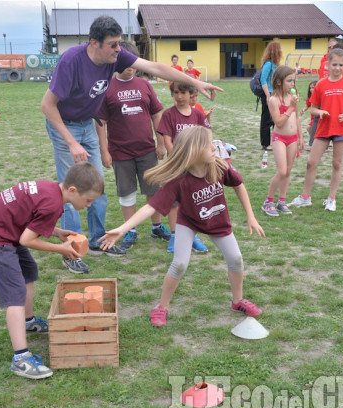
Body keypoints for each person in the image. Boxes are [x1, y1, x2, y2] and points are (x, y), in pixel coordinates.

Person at [41, 15, 222, 274]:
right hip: (64, 125)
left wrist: (195, 82)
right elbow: (47, 105)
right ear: (94, 43)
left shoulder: (117, 56)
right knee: (69, 191)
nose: (119, 49)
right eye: (113, 44)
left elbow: (156, 67)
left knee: (95, 185)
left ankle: (95, 241)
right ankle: (71, 250)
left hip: (86, 124)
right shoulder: (71, 60)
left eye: (119, 44)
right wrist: (71, 142)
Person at [98, 126, 266, 327]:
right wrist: (123, 228)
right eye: (208, 145)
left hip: (216, 219)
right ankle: (161, 307)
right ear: (193, 151)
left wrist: (251, 216)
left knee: (236, 259)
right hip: (189, 221)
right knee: (179, 264)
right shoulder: (177, 181)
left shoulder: (219, 166)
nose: (214, 148)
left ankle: (238, 301)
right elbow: (151, 207)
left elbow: (238, 185)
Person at [0, 162, 105, 379]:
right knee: (15, 293)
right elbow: (28, 239)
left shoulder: (51, 190)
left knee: (28, 271)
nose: (89, 205)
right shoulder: (53, 204)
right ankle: (21, 358)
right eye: (88, 200)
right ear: (73, 190)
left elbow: (31, 219)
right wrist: (60, 249)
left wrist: (57, 232)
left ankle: (28, 321)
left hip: (5, 230)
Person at [95, 41, 171, 251]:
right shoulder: (108, 87)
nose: (131, 68)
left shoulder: (144, 85)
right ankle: (130, 230)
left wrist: (161, 142)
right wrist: (104, 151)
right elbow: (101, 122)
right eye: (127, 64)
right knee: (126, 192)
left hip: (147, 149)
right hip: (121, 153)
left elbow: (157, 114)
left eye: (133, 64)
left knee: (153, 190)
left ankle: (156, 227)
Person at [289, 48, 343, 213]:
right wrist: (320, 112)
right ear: (328, 65)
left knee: (337, 163)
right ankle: (305, 197)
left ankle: (331, 198)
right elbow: (313, 109)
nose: (337, 68)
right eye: (334, 64)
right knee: (311, 162)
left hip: (342, 128)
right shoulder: (321, 84)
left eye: (340, 65)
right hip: (323, 128)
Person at [157, 81, 212, 253]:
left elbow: (205, 138)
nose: (179, 97)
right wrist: (179, 159)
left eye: (183, 92)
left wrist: (196, 159)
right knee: (174, 202)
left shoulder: (197, 115)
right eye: (175, 93)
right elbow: (167, 139)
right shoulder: (168, 114)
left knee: (192, 200)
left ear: (191, 94)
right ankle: (175, 235)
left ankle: (192, 235)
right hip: (175, 166)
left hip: (194, 166)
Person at [261, 66, 304, 217]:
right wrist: (290, 107)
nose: (293, 84)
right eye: (289, 81)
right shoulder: (274, 100)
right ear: (279, 82)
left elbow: (297, 117)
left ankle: (282, 201)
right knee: (282, 171)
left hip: (293, 139)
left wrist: (300, 137)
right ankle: (268, 201)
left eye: (294, 80)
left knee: (288, 172)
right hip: (279, 139)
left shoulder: (293, 96)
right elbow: (278, 122)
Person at [259, 41, 283, 151]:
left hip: (275, 94)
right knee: (267, 119)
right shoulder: (268, 64)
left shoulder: (275, 64)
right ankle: (265, 143)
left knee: (275, 119)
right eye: (280, 49)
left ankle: (277, 141)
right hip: (269, 94)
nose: (281, 51)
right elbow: (263, 79)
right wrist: (268, 95)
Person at [300, 79, 318, 151]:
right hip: (312, 118)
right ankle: (314, 140)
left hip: (317, 118)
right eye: (310, 88)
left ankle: (315, 140)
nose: (311, 89)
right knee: (310, 129)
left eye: (313, 87)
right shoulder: (310, 98)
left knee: (308, 128)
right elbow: (307, 106)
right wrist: (303, 110)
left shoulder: (319, 97)